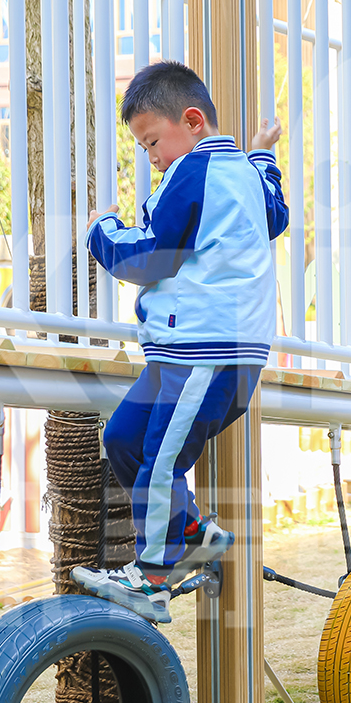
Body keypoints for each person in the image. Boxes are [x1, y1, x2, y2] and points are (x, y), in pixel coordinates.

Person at [70, 61, 288, 623]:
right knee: (123, 437)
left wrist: (101, 228)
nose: (152, 158)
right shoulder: (240, 172)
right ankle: (191, 530)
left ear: (191, 122)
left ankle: (151, 580)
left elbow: (149, 256)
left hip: (205, 352)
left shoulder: (193, 172)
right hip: (185, 351)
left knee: (161, 463)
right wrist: (262, 152)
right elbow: (273, 213)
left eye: (151, 142)